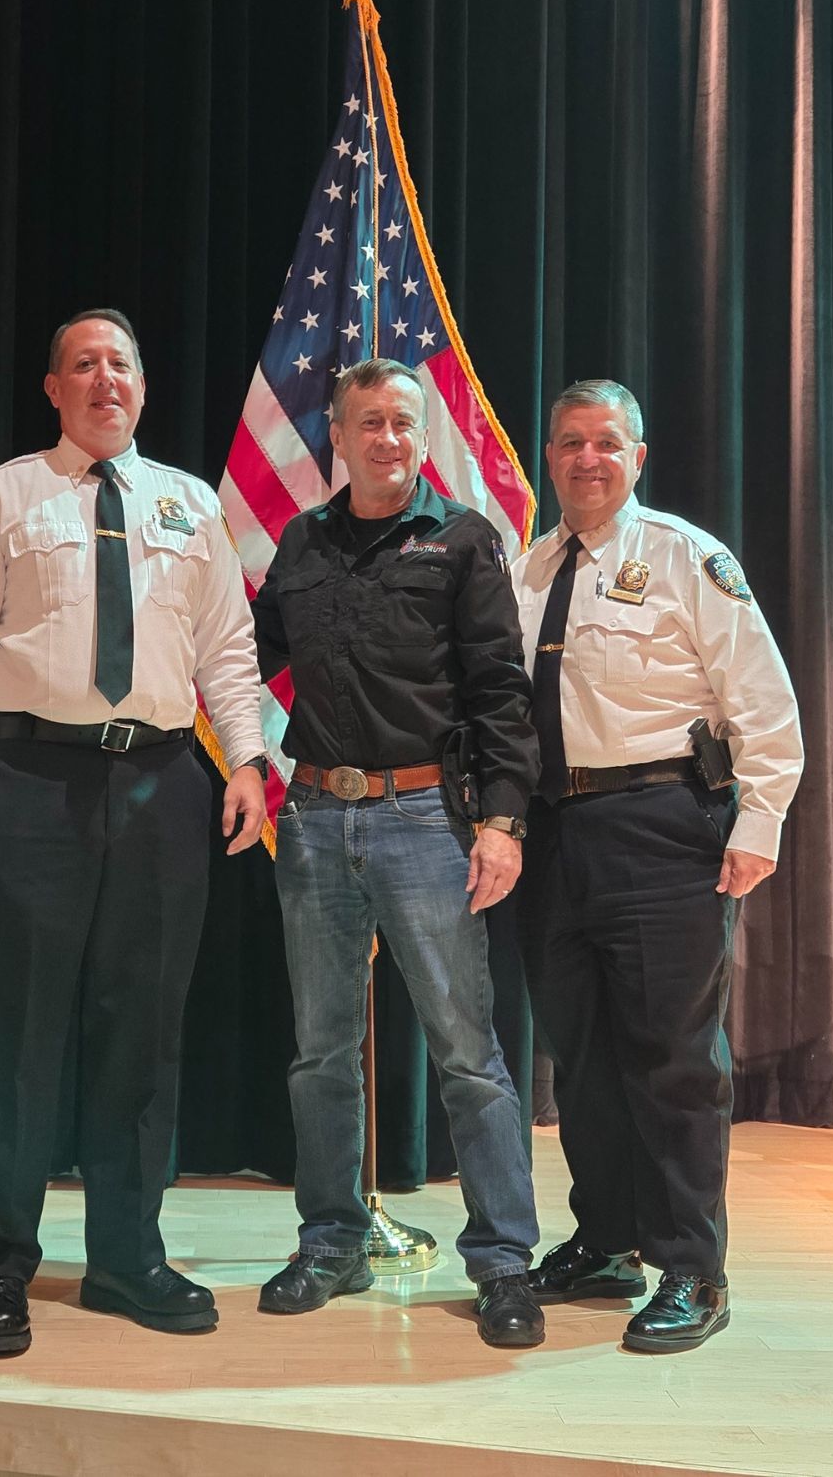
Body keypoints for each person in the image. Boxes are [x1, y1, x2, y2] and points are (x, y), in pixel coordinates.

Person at [0, 308, 269, 1355]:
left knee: (143, 1033)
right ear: (53, 389)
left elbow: (229, 651)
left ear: (143, 389)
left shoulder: (187, 503)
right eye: (83, 365)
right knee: (20, 1032)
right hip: (29, 778)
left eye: (120, 364)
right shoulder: (3, 496)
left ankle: (124, 1258)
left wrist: (245, 760)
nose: (103, 379)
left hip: (161, 780)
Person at [248, 357, 546, 1348]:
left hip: (426, 821)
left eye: (403, 423)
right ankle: (330, 1241)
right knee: (318, 1052)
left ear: (421, 435)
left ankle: (503, 1260)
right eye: (367, 422)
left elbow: (501, 692)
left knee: (467, 1054)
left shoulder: (460, 540)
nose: (387, 439)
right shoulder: (298, 542)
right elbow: (235, 653)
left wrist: (501, 822)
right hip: (313, 824)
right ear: (336, 435)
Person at [511, 378, 802, 1353]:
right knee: (582, 1059)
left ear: (637, 459)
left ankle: (691, 1266)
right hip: (555, 831)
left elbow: (759, 700)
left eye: (605, 443)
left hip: (663, 823)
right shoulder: (529, 567)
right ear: (547, 457)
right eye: (567, 442)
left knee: (672, 1059)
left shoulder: (685, 559)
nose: (585, 458)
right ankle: (605, 1239)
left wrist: (757, 820)